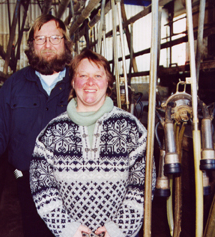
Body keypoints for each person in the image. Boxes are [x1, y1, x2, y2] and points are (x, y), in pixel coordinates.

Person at [0, 14, 73, 237]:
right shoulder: (15, 84)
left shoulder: (79, 82)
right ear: (31, 46)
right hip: (28, 182)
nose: (48, 45)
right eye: (40, 39)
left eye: (54, 38)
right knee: (36, 231)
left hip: (72, 181)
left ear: (66, 43)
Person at [30, 48, 155, 237]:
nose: (90, 82)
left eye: (98, 75)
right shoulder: (52, 132)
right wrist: (66, 227)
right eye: (83, 75)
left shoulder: (131, 128)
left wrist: (119, 228)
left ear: (108, 82)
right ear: (73, 81)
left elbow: (142, 184)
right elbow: (42, 185)